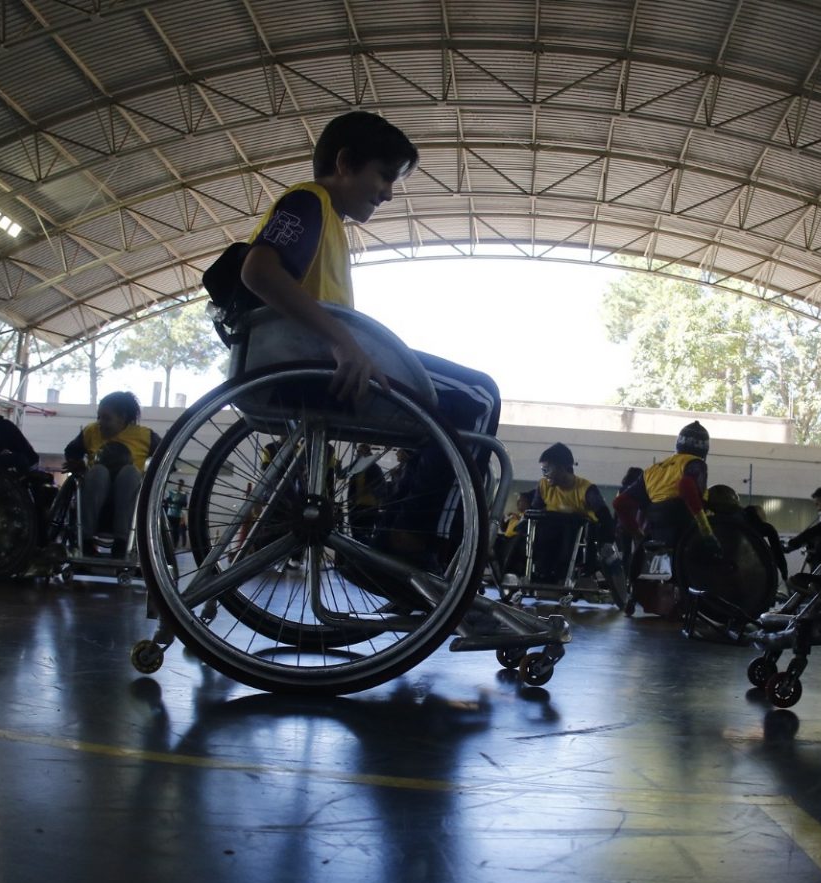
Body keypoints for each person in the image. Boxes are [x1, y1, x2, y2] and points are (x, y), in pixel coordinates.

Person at [236, 111, 501, 568]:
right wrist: (343, 342)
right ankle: (415, 542)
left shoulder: (328, 220)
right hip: (316, 365)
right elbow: (258, 271)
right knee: (478, 397)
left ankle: (405, 533)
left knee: (447, 410)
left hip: (318, 362)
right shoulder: (308, 201)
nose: (388, 192)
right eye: (383, 176)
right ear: (344, 162)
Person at [613, 421, 717, 613]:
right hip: (684, 527)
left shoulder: (653, 470)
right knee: (715, 550)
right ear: (704, 450)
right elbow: (686, 487)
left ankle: (633, 598)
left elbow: (620, 503)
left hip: (655, 531)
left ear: (678, 445)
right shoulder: (695, 464)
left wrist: (637, 534)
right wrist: (706, 530)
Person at [61, 391, 158, 558]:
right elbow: (71, 451)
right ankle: (86, 540)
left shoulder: (145, 436)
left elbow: (166, 460)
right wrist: (77, 464)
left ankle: (122, 542)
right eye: (99, 417)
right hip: (94, 492)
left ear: (122, 417)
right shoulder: (91, 432)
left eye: (106, 418)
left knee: (129, 473)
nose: (100, 423)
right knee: (98, 471)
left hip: (129, 498)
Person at [523, 442, 618, 586]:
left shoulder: (586, 489)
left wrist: (607, 542)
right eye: (543, 470)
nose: (544, 474)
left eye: (547, 469)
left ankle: (563, 572)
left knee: (568, 525)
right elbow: (535, 512)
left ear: (563, 468)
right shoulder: (543, 485)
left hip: (577, 539)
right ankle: (534, 571)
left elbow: (605, 516)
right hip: (547, 538)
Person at [163, 478, 188, 550]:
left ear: (182, 485)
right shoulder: (171, 492)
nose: (179, 485)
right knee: (167, 530)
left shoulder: (184, 495)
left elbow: (185, 504)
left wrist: (178, 503)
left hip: (177, 515)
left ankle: (174, 545)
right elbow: (167, 501)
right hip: (170, 514)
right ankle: (167, 544)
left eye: (180, 484)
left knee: (176, 532)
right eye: (178, 484)